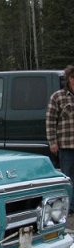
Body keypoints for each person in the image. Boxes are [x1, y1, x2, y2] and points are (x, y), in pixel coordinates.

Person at [46, 65, 74, 213]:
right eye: (73, 77)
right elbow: (50, 121)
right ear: (69, 79)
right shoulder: (57, 97)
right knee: (67, 178)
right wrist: (52, 142)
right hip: (66, 146)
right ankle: (67, 207)